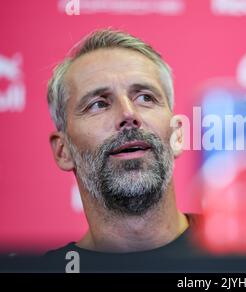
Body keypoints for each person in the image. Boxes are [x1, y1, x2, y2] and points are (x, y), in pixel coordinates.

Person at [42, 28, 198, 271]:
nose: (128, 114)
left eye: (145, 98)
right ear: (63, 151)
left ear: (178, 135)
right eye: (98, 104)